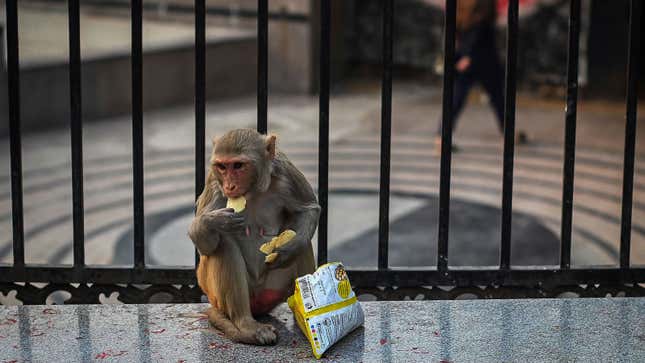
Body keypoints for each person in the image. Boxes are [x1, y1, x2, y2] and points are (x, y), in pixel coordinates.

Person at [435, 0, 526, 153]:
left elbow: (455, 29)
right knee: (497, 98)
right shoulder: (485, 4)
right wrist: (469, 55)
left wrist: (460, 55)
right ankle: (509, 133)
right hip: (484, 58)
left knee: (455, 100)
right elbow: (482, 28)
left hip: (466, 57)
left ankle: (441, 137)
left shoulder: (459, 5)